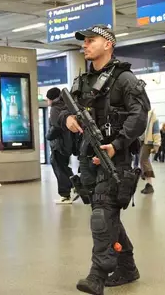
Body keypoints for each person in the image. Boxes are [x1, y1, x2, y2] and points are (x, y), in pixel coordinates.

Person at [63, 24, 150, 294]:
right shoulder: (82, 81)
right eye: (84, 41)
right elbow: (59, 111)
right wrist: (66, 119)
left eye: (91, 40)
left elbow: (140, 116)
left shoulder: (124, 79)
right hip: (88, 157)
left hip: (116, 157)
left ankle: (98, 274)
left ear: (108, 44)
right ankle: (127, 267)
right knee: (106, 214)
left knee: (102, 216)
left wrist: (116, 144)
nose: (85, 45)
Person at [46, 87, 76, 204]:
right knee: (64, 167)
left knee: (58, 167)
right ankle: (76, 185)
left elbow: (56, 127)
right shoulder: (65, 106)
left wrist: (48, 136)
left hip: (58, 144)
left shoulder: (55, 108)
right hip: (67, 143)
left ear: (51, 98)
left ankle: (65, 195)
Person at [139, 108, 160, 194]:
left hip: (148, 141)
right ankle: (148, 183)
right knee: (143, 161)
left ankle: (149, 185)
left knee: (143, 160)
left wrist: (156, 144)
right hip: (139, 141)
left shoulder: (151, 115)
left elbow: (156, 131)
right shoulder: (137, 113)